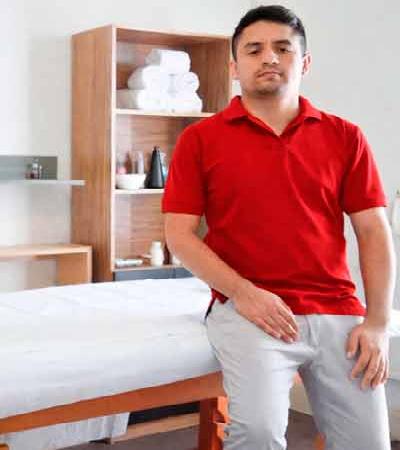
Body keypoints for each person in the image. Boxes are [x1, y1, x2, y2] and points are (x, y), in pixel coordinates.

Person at [162, 5, 396, 449]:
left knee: (369, 443)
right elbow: (179, 235)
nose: (269, 57)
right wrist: (244, 293)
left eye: (283, 48)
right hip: (248, 311)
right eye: (254, 50)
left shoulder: (346, 137)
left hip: (336, 310)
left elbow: (373, 230)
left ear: (304, 63)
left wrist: (378, 322)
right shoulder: (200, 139)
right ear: (234, 67)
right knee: (258, 434)